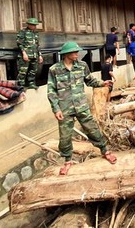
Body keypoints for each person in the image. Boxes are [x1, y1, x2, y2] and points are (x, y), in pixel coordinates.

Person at [48, 42, 116, 174]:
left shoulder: (82, 66)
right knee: (65, 136)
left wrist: (102, 83)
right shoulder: (54, 69)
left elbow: (89, 80)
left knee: (93, 129)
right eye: (74, 52)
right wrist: (56, 109)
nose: (77, 54)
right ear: (66, 54)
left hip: (81, 106)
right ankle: (67, 161)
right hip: (65, 108)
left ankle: (105, 151)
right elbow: (51, 91)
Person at [16, 17, 43, 90]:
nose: (34, 26)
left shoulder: (36, 33)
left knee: (33, 70)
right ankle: (20, 85)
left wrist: (40, 55)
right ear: (28, 24)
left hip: (35, 55)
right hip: (26, 55)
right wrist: (24, 53)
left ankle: (31, 83)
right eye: (32, 25)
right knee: (23, 71)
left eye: (35, 25)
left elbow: (37, 45)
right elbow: (19, 44)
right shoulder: (23, 32)